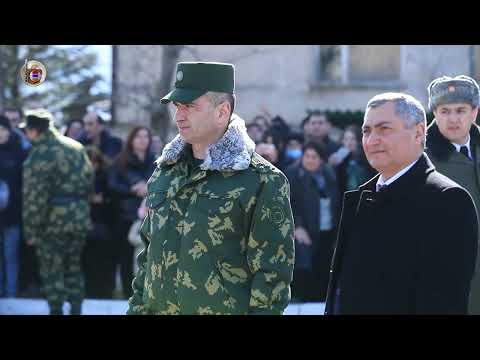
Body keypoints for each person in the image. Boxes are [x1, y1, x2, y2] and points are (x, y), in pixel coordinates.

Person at [127, 62, 295, 315]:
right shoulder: (166, 172)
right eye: (177, 106)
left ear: (222, 111)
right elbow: (148, 256)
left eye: (190, 106)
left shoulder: (261, 180)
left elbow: (272, 276)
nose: (179, 116)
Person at [325, 92, 478, 315]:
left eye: (384, 129)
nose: (372, 140)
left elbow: (444, 302)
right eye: (366, 131)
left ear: (418, 133)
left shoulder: (448, 200)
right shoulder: (360, 198)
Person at [21, 109, 94, 315]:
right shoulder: (75, 146)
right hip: (79, 218)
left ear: (34, 131)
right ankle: (77, 309)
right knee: (74, 267)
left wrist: (31, 230)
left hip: (52, 222)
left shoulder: (41, 153)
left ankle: (56, 310)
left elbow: (34, 197)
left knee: (52, 270)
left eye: (27, 130)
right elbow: (89, 182)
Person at [425, 75, 480, 314]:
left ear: (474, 113)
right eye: (445, 111)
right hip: (446, 271)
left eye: (461, 110)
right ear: (434, 114)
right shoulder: (421, 158)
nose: (453, 119)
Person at [286, 142, 339, 302]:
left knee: (324, 266)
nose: (309, 160)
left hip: (327, 226)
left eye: (314, 157)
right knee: (304, 267)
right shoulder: (293, 174)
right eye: (307, 156)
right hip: (304, 230)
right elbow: (289, 203)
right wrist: (298, 226)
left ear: (321, 159)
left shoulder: (329, 173)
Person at [108, 126, 156, 299]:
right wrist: (132, 189)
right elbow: (112, 186)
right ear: (131, 140)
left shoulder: (156, 161)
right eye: (138, 136)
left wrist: (148, 188)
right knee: (126, 258)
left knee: (147, 258)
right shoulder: (121, 161)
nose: (143, 140)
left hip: (149, 215)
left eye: (145, 136)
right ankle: (127, 293)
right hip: (125, 216)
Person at [0, 116, 29, 298]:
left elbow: (25, 183)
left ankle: (11, 294)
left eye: (2, 129)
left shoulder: (20, 151)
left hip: (13, 215)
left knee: (11, 257)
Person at [83, 145, 116, 299]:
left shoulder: (106, 177)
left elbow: (110, 199)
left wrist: (101, 200)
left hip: (103, 227)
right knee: (88, 262)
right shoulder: (80, 177)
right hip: (87, 226)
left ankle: (103, 292)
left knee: (103, 262)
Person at [329, 124, 376, 195]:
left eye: (352, 139)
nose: (349, 143)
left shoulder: (366, 158)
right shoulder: (341, 159)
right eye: (346, 139)